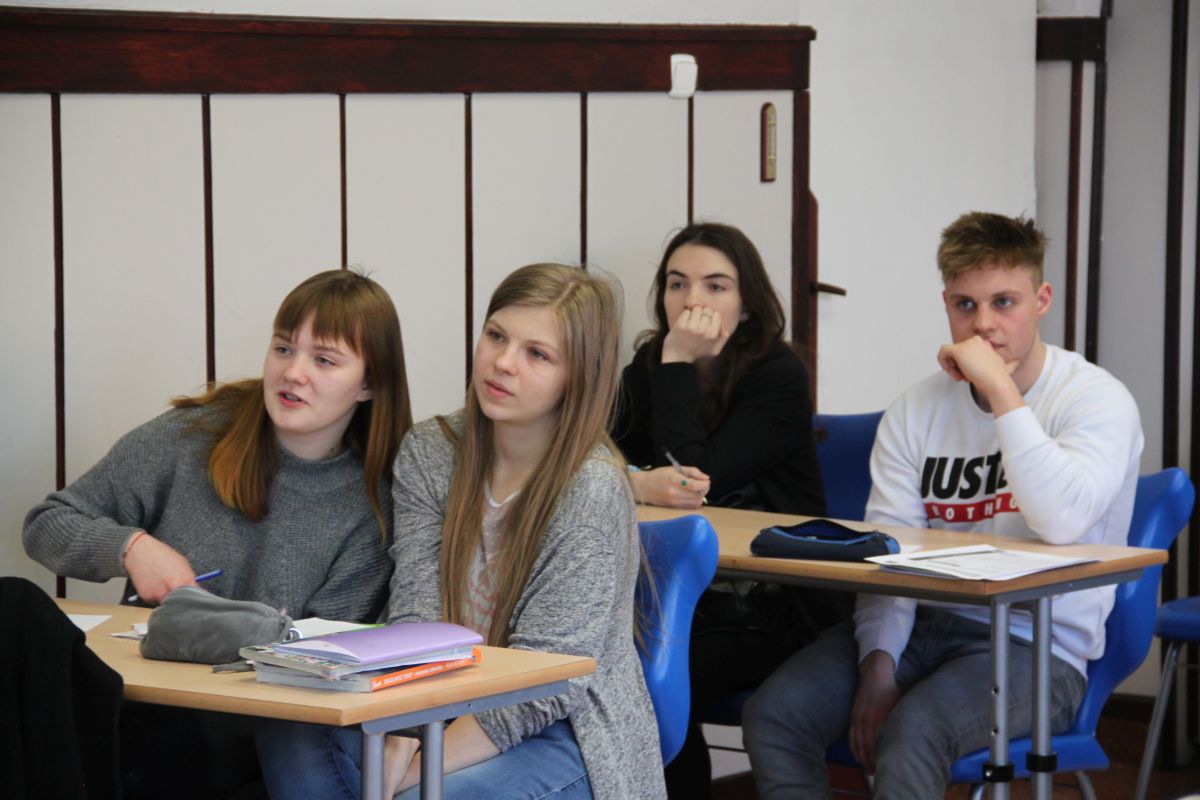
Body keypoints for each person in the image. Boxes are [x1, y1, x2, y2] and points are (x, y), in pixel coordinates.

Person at [742, 212, 1144, 799]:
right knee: (775, 713)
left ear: (1041, 300)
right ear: (946, 305)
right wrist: (879, 660)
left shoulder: (1096, 400)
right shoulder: (915, 410)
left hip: (1038, 646)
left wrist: (1001, 393)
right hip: (922, 624)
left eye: (1003, 302)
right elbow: (889, 551)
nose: (982, 325)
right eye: (964, 305)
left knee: (915, 731)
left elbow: (1061, 521)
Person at [258, 263, 666, 800]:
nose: (502, 362)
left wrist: (412, 773)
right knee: (290, 727)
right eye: (496, 335)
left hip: (567, 731)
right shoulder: (432, 451)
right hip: (441, 702)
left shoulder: (589, 487)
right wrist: (402, 740)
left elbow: (548, 681)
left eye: (537, 354)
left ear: (578, 376)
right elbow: (418, 620)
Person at [23, 267, 413, 799]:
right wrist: (131, 548)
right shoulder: (193, 435)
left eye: (324, 360)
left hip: (254, 739)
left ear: (370, 384)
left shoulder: (376, 505)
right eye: (283, 348)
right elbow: (46, 524)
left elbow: (317, 666)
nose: (293, 373)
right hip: (136, 716)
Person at [612, 222, 843, 798]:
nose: (692, 301)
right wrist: (637, 482)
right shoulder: (646, 366)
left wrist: (677, 362)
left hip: (772, 602)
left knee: (653, 676)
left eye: (715, 286)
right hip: (679, 594)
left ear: (747, 304)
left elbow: (698, 479)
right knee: (613, 665)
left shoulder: (777, 375)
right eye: (677, 284)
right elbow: (596, 461)